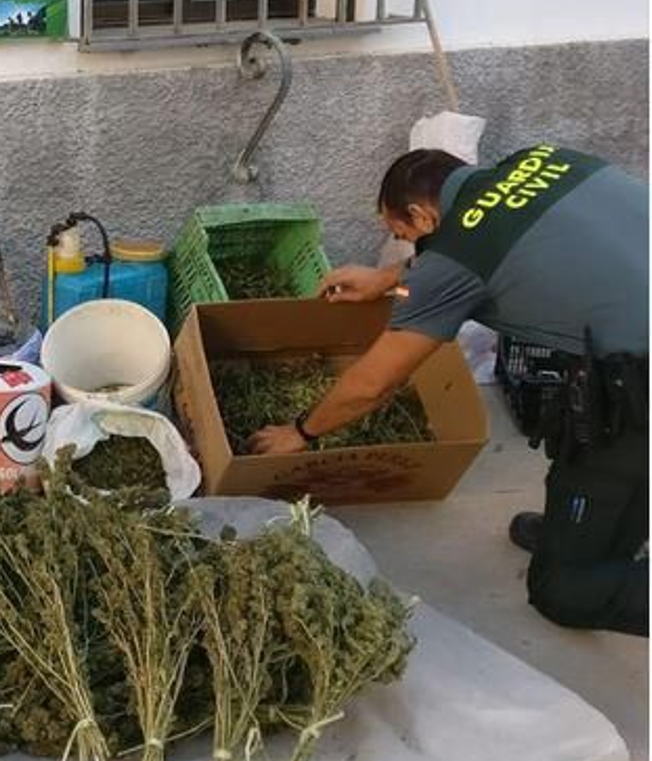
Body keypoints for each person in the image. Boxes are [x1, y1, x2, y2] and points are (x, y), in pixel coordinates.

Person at [250, 144, 648, 637]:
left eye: (403, 235)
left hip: (638, 381)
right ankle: (585, 537)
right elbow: (465, 255)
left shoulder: (456, 256)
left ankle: (581, 564)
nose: (406, 246)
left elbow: (374, 383)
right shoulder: (540, 159)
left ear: (421, 214)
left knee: (562, 591)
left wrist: (300, 432)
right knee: (592, 461)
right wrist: (385, 281)